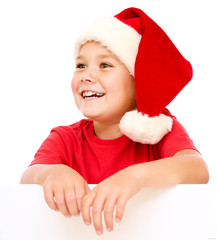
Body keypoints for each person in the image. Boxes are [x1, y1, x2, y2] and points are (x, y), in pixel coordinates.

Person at [20, 7, 209, 236]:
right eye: (81, 65)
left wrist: (135, 177)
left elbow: (198, 169)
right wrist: (52, 173)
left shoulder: (161, 129)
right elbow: (28, 178)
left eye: (105, 65)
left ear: (137, 80)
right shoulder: (65, 138)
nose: (86, 75)